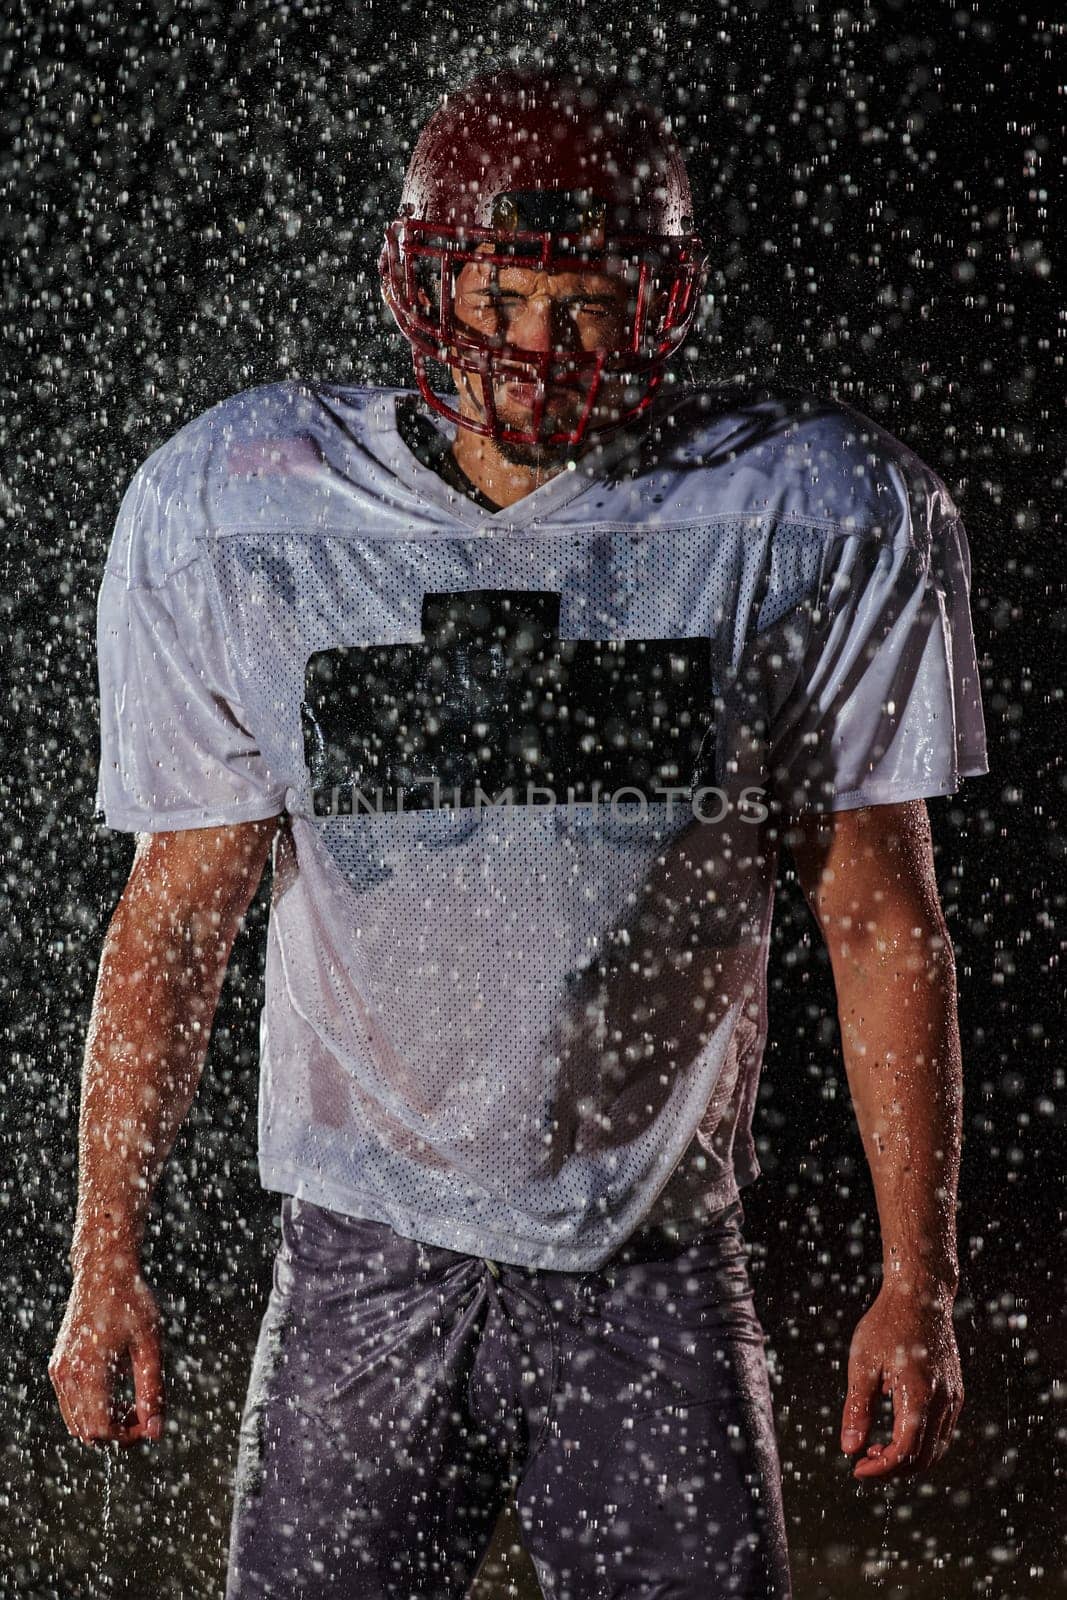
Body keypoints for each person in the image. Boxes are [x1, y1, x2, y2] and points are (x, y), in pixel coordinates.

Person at [49, 68, 989, 1600]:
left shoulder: (804, 515)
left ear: (661, 298)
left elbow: (879, 920)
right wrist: (104, 1263)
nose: (542, 350)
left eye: (590, 305)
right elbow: (174, 917)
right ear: (427, 286)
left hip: (654, 1259)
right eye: (504, 295)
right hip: (364, 1251)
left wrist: (917, 1279)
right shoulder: (244, 511)